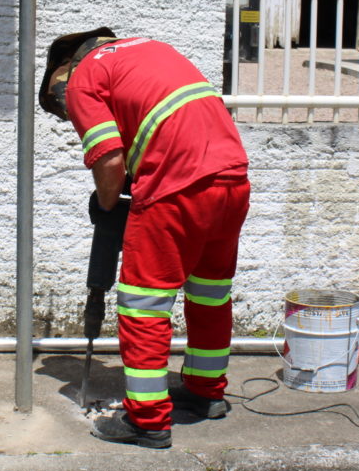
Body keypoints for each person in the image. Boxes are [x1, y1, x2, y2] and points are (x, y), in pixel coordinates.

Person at [39, 28, 250, 449]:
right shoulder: (154, 49)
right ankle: (206, 394)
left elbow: (110, 157)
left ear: (63, 69)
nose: (66, 113)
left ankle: (148, 421)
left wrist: (105, 202)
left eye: (59, 105)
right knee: (209, 294)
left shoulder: (83, 77)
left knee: (143, 305)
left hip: (176, 189)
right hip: (232, 180)